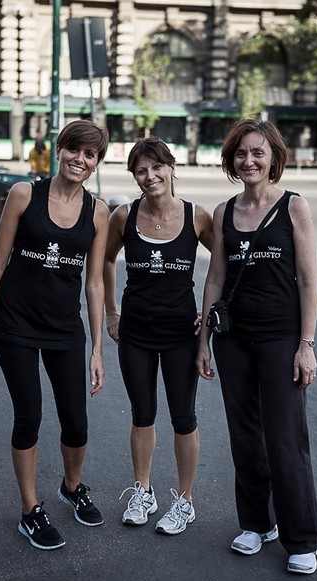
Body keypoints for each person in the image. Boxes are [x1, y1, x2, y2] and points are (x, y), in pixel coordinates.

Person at [0, 119, 110, 551]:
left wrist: (98, 348)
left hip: (65, 327)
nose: (79, 159)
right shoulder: (24, 194)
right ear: (59, 149)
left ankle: (72, 486)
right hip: (14, 325)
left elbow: (95, 283)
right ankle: (30, 511)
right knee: (29, 415)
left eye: (89, 154)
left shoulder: (97, 212)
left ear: (96, 162)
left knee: (76, 421)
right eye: (73, 149)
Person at [196, 118, 317, 574]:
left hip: (281, 339)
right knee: (245, 434)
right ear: (232, 160)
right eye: (241, 153)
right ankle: (255, 523)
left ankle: (301, 538)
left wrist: (306, 344)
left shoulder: (294, 207)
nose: (248, 160)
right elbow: (216, 278)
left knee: (286, 438)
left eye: (257, 153)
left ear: (273, 159)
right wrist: (204, 341)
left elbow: (307, 281)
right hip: (233, 339)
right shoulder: (224, 211)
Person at [104, 137, 212, 535]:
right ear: (134, 177)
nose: (150, 176)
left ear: (171, 167)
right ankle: (143, 492)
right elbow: (105, 260)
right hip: (135, 333)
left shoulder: (197, 217)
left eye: (156, 167)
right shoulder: (124, 216)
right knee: (142, 414)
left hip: (181, 334)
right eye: (141, 171)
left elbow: (224, 265)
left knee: (184, 418)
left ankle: (184, 501)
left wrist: (209, 311)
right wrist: (111, 312)